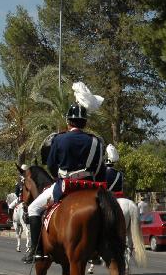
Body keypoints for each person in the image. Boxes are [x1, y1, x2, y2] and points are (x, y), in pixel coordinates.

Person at [23, 82, 105, 263]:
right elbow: (100, 169)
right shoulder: (96, 141)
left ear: (68, 122)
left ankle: (37, 251)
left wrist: (57, 177)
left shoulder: (59, 139)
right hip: (90, 187)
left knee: (33, 208)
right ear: (85, 122)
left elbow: (51, 165)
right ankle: (101, 249)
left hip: (65, 186)